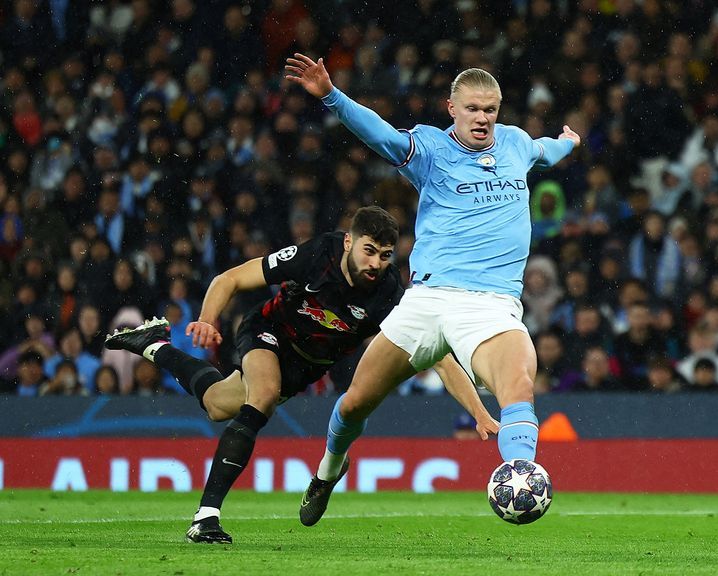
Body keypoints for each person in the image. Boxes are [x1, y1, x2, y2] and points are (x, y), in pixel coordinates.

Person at [284, 53, 580, 527]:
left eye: (491, 109)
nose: (483, 118)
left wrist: (568, 142)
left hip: (488, 304)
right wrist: (332, 97)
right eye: (473, 109)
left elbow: (547, 149)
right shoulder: (429, 150)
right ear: (452, 109)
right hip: (425, 301)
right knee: (356, 400)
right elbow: (382, 135)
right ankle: (327, 471)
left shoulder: (515, 144)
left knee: (518, 384)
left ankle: (521, 469)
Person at [105, 206, 497, 543]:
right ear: (349, 242)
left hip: (307, 366)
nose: (376, 263)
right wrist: (207, 319)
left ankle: (154, 345)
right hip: (268, 330)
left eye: (386, 255)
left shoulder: (390, 293)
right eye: (370, 251)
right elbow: (231, 278)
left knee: (217, 404)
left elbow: (440, 357)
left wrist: (479, 412)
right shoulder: (316, 254)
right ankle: (206, 517)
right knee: (261, 398)